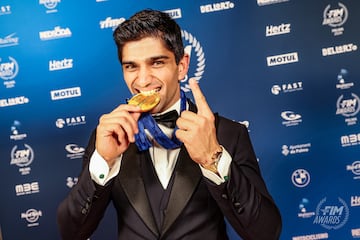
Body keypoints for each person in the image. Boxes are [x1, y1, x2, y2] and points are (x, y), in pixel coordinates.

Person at [57, 9, 282, 240]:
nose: (143, 80)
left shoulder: (227, 134)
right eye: (131, 66)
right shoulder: (108, 136)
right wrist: (103, 163)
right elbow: (71, 232)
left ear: (182, 65)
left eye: (156, 63)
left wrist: (213, 158)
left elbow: (265, 233)